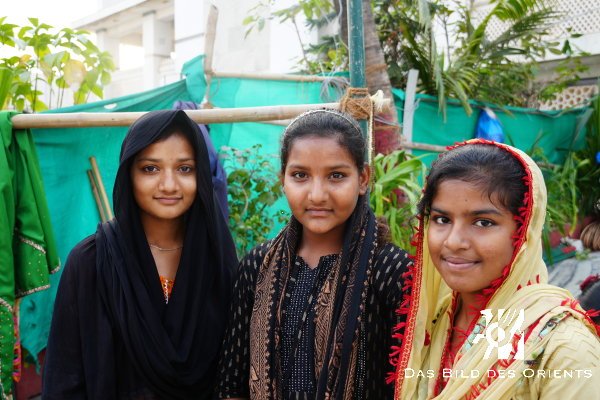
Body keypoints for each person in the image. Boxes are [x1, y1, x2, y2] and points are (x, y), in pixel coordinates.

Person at [217, 109, 412, 399]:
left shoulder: (391, 270)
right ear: (282, 179)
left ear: (363, 179)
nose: (317, 195)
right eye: (300, 175)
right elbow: (232, 381)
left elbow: (409, 382)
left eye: (336, 176)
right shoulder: (257, 265)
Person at [43, 110, 237, 399]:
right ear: (128, 175)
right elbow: (65, 379)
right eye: (150, 169)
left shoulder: (217, 261)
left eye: (185, 168)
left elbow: (237, 373)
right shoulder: (91, 262)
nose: (169, 184)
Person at [391, 140, 600, 399]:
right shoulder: (432, 322)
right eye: (442, 219)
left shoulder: (564, 350)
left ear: (524, 232)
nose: (453, 241)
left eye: (483, 222)